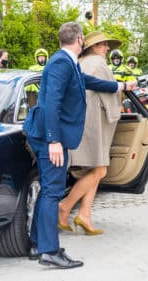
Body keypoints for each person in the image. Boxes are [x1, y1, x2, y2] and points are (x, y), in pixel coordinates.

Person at [23, 22, 134, 269]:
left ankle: (37, 244)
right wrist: (53, 140)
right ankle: (50, 251)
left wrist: (120, 86)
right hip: (49, 137)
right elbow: (51, 103)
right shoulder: (61, 63)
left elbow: (87, 81)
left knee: (48, 189)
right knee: (53, 191)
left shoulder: (67, 61)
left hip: (50, 134)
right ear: (80, 39)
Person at [58, 31, 123, 236]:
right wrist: (117, 109)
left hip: (81, 121)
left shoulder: (80, 62)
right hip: (95, 123)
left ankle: (85, 215)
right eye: (103, 44)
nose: (107, 48)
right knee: (100, 170)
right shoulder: (98, 63)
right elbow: (110, 91)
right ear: (94, 46)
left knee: (94, 168)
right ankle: (65, 207)